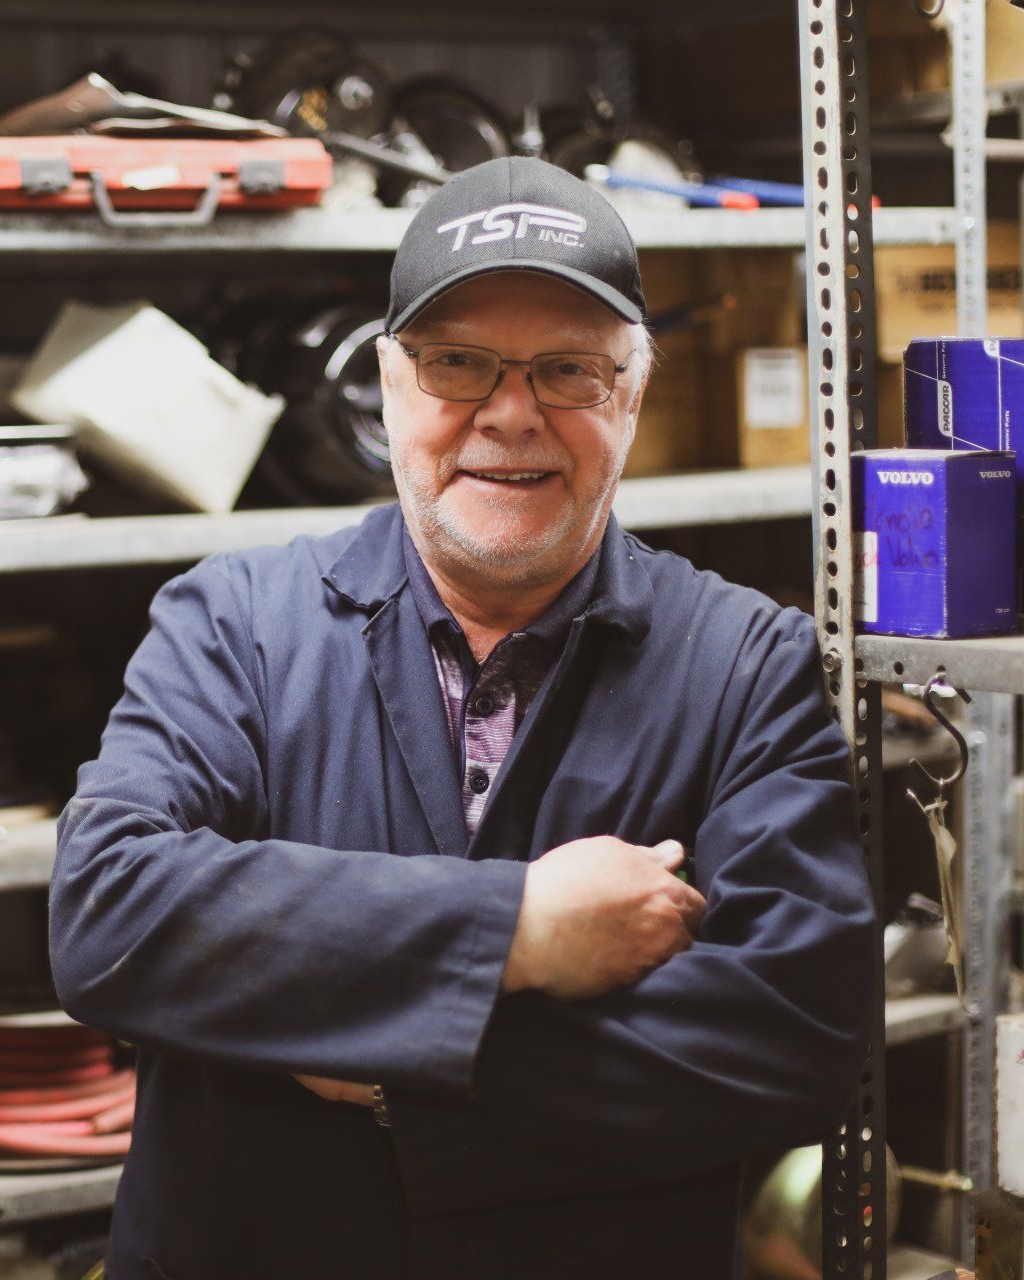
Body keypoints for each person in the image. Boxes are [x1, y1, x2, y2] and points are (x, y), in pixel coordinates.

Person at [49, 157, 875, 1279]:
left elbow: (795, 1032)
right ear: (391, 382)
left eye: (569, 370)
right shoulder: (235, 621)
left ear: (631, 393)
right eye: (458, 362)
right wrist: (524, 925)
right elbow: (111, 912)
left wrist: (398, 1061)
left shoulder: (741, 663)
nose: (511, 411)